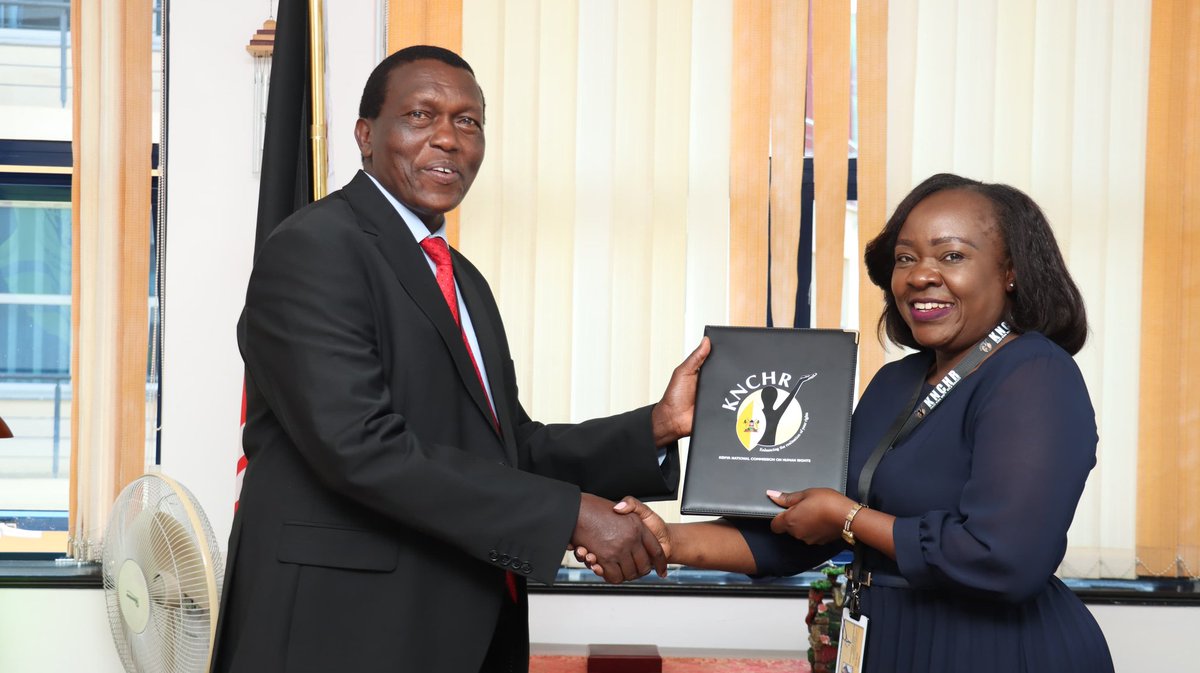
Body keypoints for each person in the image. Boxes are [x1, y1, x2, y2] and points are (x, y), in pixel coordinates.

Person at [211, 45, 710, 673]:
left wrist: (656, 426)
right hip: (341, 632)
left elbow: (508, 449)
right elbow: (361, 447)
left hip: (459, 625)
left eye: (468, 121)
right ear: (367, 136)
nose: (447, 138)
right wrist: (571, 517)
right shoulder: (316, 247)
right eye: (421, 116)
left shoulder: (461, 279)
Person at [580, 173, 1114, 673]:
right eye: (906, 259)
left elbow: (1005, 559)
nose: (921, 275)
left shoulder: (1034, 372)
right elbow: (802, 531)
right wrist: (664, 540)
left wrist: (849, 518)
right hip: (892, 642)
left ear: (1010, 271)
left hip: (995, 652)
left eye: (952, 255)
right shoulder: (895, 383)